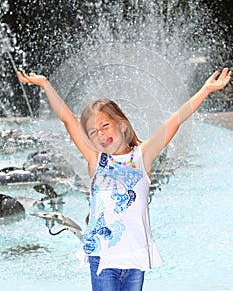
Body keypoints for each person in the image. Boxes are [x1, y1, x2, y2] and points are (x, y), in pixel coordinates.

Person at [17, 68, 231, 291]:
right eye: (92, 132)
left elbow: (175, 121)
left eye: (105, 125)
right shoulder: (95, 160)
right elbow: (68, 120)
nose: (100, 134)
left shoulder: (142, 156)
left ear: (122, 124)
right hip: (102, 256)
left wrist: (206, 90)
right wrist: (45, 85)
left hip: (135, 257)